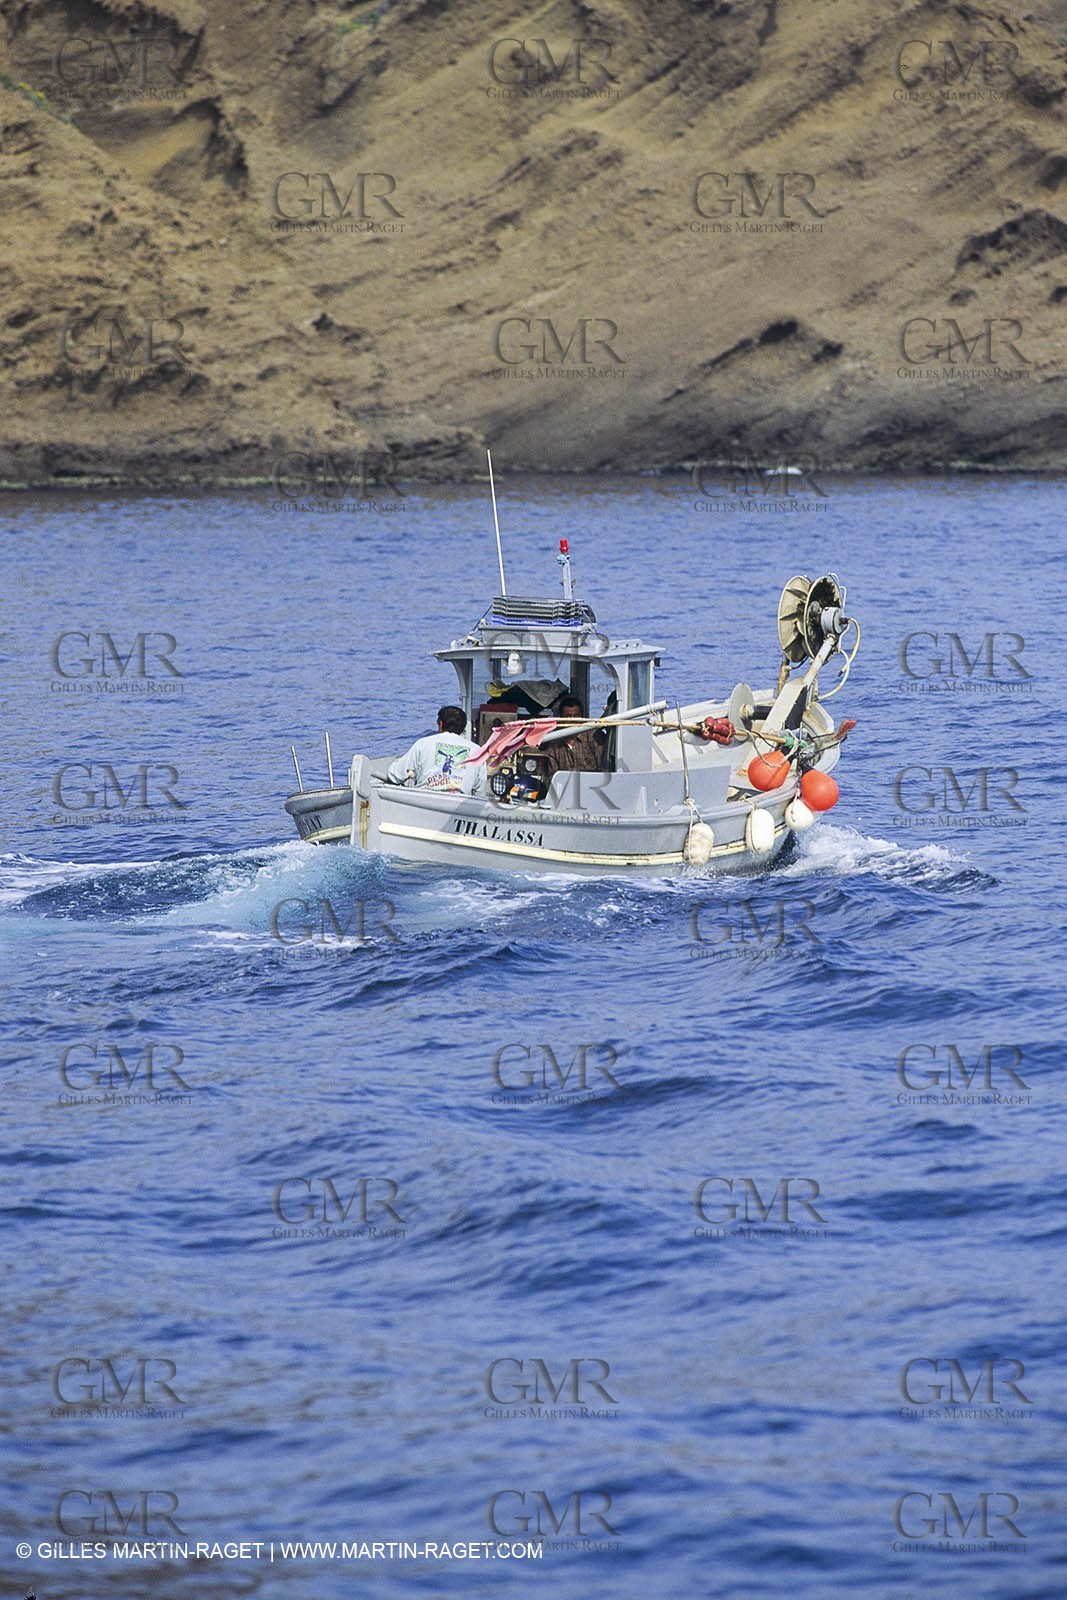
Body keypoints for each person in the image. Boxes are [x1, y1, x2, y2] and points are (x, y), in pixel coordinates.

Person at [387, 706, 485, 794]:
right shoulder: (477, 750)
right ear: (463, 727)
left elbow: (395, 775)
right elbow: (480, 791)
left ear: (440, 724)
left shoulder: (423, 744)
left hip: (424, 802)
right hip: (458, 806)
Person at [544, 696, 604, 775]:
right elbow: (551, 775)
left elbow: (603, 769)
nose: (572, 720)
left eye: (576, 716)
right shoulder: (553, 742)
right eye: (568, 716)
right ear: (561, 719)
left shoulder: (594, 737)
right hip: (562, 786)